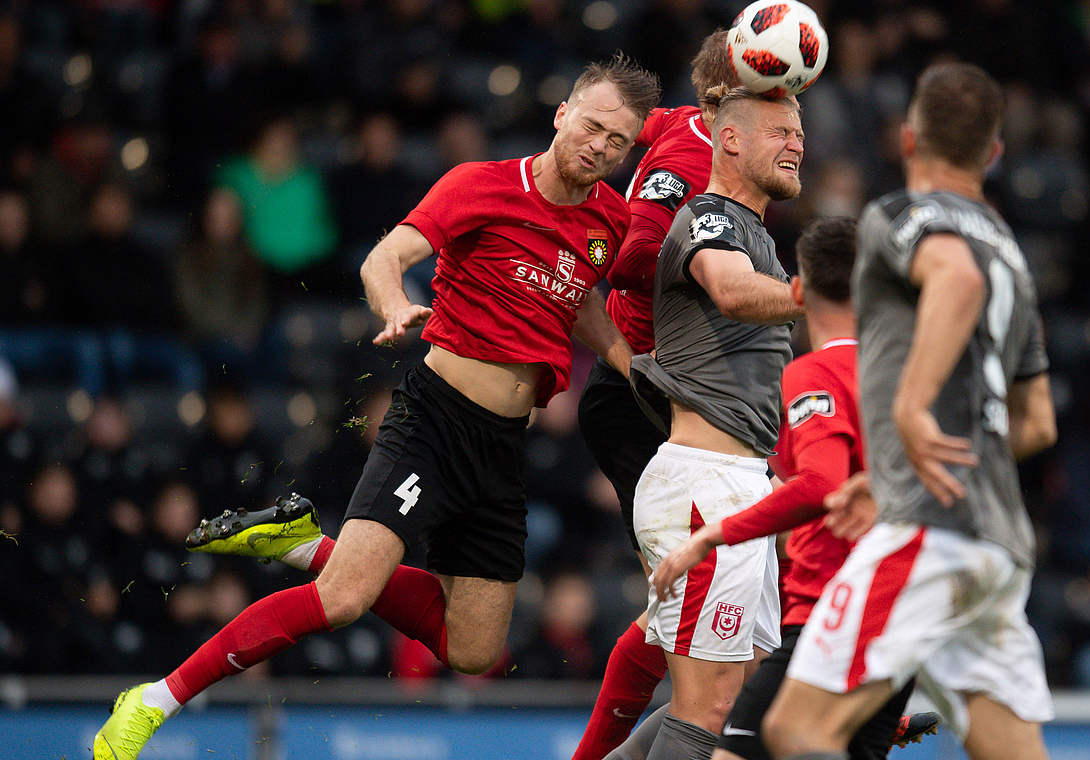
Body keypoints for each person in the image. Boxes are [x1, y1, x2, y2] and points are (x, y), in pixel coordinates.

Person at [91, 56, 661, 760]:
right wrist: (394, 306)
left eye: (619, 142)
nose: (601, 146)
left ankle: (302, 543)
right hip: (435, 420)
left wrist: (627, 361)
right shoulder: (480, 184)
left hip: (503, 446)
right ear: (561, 114)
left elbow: (577, 302)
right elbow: (383, 258)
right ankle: (154, 700)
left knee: (475, 649)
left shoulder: (609, 218)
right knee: (343, 599)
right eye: (593, 125)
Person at [762, 62, 1058, 760]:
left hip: (933, 530)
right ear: (994, 153)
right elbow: (1038, 421)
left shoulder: (901, 216)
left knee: (796, 730)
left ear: (906, 140)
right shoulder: (1012, 256)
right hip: (998, 542)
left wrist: (911, 416)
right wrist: (897, 469)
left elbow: (951, 279)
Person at [648, 216, 940, 760]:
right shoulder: (914, 374)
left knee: (731, 746)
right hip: (898, 615)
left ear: (799, 291)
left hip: (835, 609)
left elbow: (820, 485)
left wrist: (712, 536)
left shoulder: (816, 374)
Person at [572, 30, 738, 760]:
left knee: (714, 595)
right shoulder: (687, 154)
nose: (791, 125)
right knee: (693, 608)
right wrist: (724, 275)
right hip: (641, 396)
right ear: (725, 103)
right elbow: (634, 255)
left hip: (692, 401)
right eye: (776, 104)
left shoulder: (691, 131)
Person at [626, 85, 804, 760]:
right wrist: (814, 292)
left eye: (799, 135)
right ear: (730, 140)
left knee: (731, 696)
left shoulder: (753, 230)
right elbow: (729, 290)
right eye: (779, 132)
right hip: (704, 484)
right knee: (708, 708)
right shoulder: (710, 217)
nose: (796, 145)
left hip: (738, 482)